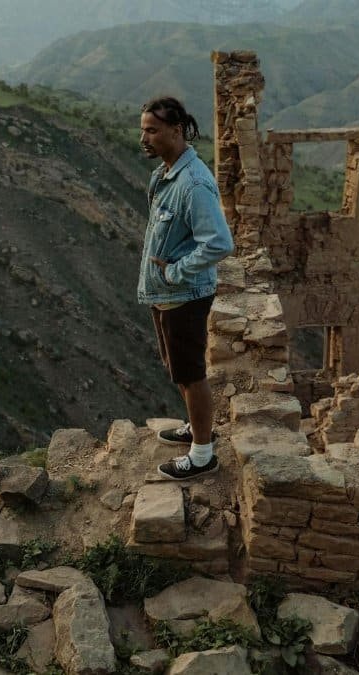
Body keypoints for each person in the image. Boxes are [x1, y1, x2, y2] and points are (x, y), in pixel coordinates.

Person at [137, 96, 235, 480]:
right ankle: (197, 429)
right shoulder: (166, 173)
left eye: (152, 130)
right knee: (176, 369)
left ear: (176, 132)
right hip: (165, 295)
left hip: (184, 295)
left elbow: (219, 242)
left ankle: (202, 454)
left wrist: (177, 272)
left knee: (191, 373)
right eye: (142, 129)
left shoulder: (193, 183)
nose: (143, 138)